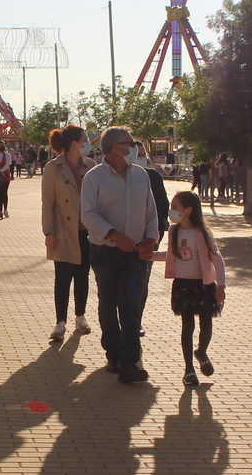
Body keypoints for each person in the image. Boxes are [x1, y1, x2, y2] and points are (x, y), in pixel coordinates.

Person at [81, 126, 159, 384]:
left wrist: (151, 239)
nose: (134, 147)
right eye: (130, 143)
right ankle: (113, 353)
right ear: (116, 147)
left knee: (130, 305)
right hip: (105, 251)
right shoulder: (94, 178)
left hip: (136, 252)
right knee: (108, 303)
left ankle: (129, 363)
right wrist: (113, 233)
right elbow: (88, 215)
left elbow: (150, 210)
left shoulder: (141, 175)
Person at [152, 189, 226, 388]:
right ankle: (189, 370)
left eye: (175, 207)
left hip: (203, 285)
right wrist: (149, 255)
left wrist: (221, 286)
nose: (172, 210)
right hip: (183, 284)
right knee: (187, 326)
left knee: (206, 324)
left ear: (188, 210)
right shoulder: (174, 231)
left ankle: (201, 352)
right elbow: (170, 255)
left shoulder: (201, 233)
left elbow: (216, 259)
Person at [43, 124, 94, 343]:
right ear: (75, 143)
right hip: (63, 230)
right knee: (62, 278)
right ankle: (60, 322)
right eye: (85, 139)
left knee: (83, 275)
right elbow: (48, 202)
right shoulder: (53, 167)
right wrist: (49, 232)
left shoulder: (90, 165)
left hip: (86, 231)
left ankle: (80, 316)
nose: (88, 143)